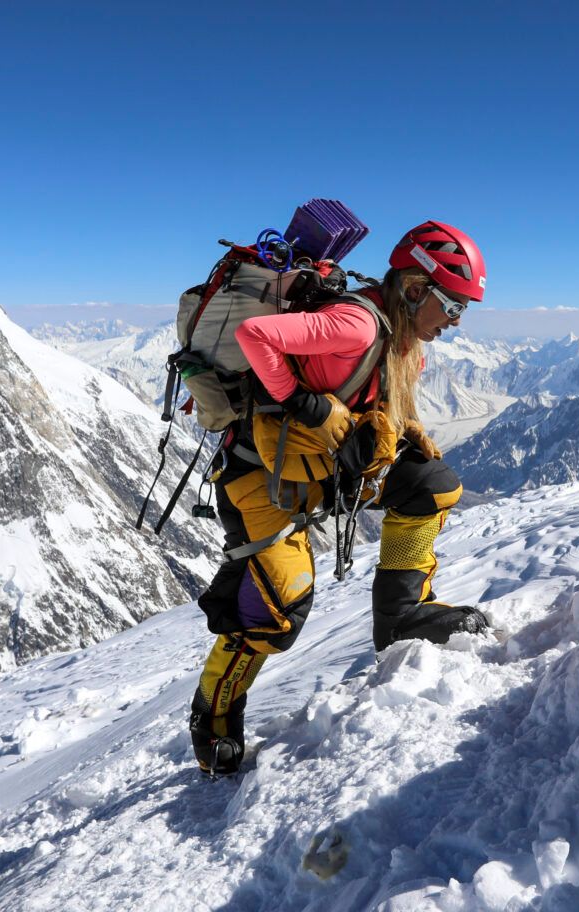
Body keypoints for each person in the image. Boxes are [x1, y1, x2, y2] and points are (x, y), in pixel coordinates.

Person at [188, 220, 491, 776]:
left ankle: (401, 617)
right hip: (260, 475)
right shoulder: (356, 324)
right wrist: (302, 403)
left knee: (431, 485)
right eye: (452, 306)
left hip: (322, 470)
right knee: (279, 608)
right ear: (417, 289)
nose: (454, 322)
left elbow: (380, 400)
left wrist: (407, 432)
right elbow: (258, 336)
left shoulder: (404, 345)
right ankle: (214, 719)